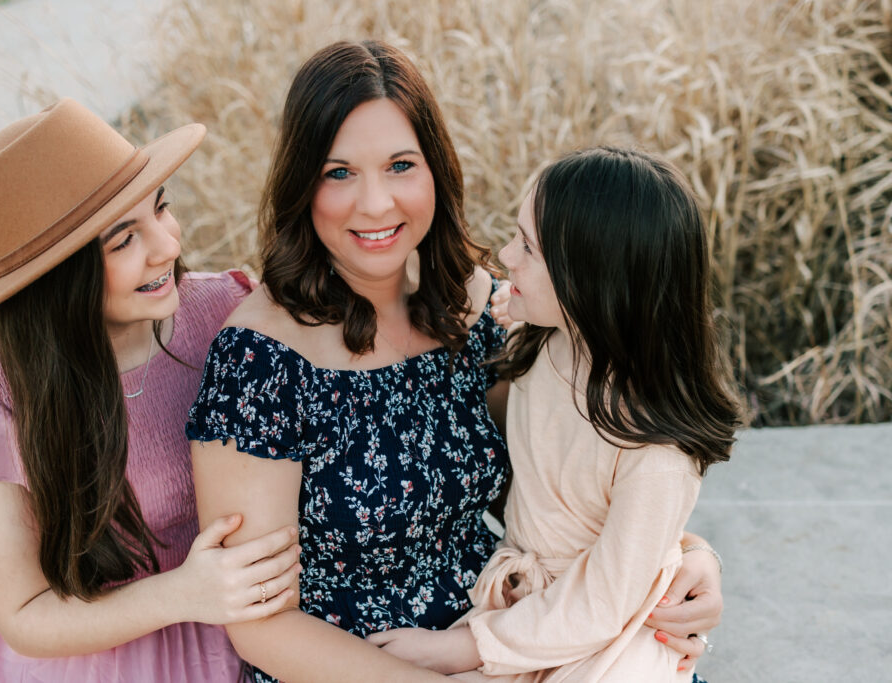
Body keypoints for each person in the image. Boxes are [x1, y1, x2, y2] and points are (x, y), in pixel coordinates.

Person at [186, 41, 725, 683]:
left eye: (400, 165)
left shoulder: (468, 303)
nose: (376, 203)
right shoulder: (259, 363)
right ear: (302, 183)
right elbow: (259, 625)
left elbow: (562, 476)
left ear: (435, 170)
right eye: (338, 173)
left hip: (519, 634)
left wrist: (685, 557)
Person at [0, 98, 300, 682]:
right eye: (123, 241)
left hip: (236, 640)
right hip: (91, 661)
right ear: (56, 280)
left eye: (161, 209)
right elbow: (22, 613)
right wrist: (182, 594)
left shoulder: (225, 313)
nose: (167, 246)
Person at [367, 147, 741, 681]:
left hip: (606, 642)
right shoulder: (540, 343)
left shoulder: (657, 450)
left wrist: (462, 649)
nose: (507, 255)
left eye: (529, 248)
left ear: (595, 281)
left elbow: (605, 599)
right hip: (524, 612)